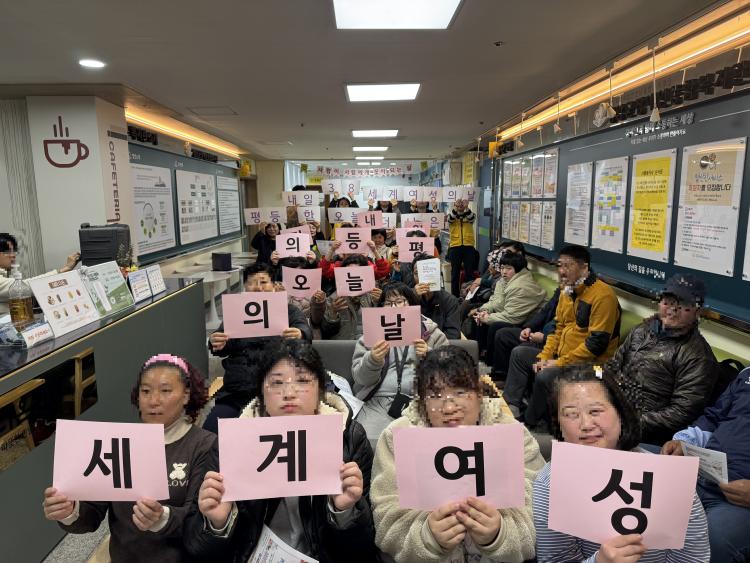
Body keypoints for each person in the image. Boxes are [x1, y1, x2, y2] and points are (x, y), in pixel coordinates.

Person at [185, 340, 379, 563]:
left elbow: (362, 550)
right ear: (261, 393)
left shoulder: (348, 438)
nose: (289, 393)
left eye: (302, 381)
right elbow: (198, 549)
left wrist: (345, 512)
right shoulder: (232, 442)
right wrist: (217, 525)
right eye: (276, 383)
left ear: (320, 391)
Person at [371, 346, 544, 562]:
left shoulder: (512, 435)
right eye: (435, 395)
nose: (449, 407)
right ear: (422, 401)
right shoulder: (397, 438)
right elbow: (386, 522)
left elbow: (539, 514)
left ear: (479, 393)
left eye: (460, 393)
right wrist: (427, 537)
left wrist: (499, 534)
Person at [43, 354, 216, 563]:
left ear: (186, 395)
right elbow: (92, 516)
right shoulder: (119, 443)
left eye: (165, 391)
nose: (153, 401)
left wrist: (162, 517)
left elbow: (202, 525)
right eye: (146, 391)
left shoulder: (204, 446)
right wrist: (70, 510)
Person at [533, 364, 710, 562]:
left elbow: (693, 558)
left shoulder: (669, 478)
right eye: (571, 414)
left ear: (620, 414)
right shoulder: (549, 482)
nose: (586, 424)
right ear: (558, 424)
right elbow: (557, 559)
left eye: (595, 411)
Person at [503, 245, 621, 430]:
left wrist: (558, 363)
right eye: (560, 265)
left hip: (592, 365)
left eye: (568, 265)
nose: (562, 271)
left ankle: (532, 423)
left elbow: (596, 344)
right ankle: (511, 407)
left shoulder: (603, 296)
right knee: (520, 354)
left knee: (545, 376)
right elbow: (558, 328)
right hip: (563, 357)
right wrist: (545, 357)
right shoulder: (567, 291)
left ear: (584, 267)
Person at [607, 273, 717, 446]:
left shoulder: (698, 357)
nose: (673, 309)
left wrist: (627, 421)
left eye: (683, 305)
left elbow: (680, 413)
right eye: (668, 302)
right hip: (612, 413)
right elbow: (611, 366)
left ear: (697, 311)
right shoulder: (641, 330)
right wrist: (594, 382)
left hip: (646, 434)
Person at [205, 263, 311, 432]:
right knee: (212, 430)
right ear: (245, 287)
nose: (258, 287)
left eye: (263, 282)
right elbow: (222, 343)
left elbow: (304, 330)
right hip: (238, 392)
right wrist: (215, 342)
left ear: (274, 286)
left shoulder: (289, 311)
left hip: (281, 391)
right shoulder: (236, 312)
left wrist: (300, 333)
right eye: (252, 283)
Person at [661, 366, 750, 562]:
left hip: (738, 502)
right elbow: (713, 418)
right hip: (702, 472)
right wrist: (685, 443)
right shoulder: (747, 374)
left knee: (712, 538)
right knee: (631, 457)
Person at [352, 282, 449, 445]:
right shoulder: (371, 335)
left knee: (425, 444)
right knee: (368, 443)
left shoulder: (433, 334)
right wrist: (373, 359)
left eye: (400, 301)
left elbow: (451, 374)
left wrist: (430, 355)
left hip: (424, 400)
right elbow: (361, 379)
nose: (394, 307)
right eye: (388, 303)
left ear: (412, 305)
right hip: (378, 401)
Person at [471, 251, 546, 364]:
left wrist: (487, 318)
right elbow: (494, 301)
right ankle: (477, 354)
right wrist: (484, 310)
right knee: (477, 316)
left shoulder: (521, 287)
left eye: (509, 268)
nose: (504, 271)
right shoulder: (504, 281)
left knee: (495, 326)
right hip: (511, 315)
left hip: (527, 324)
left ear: (518, 270)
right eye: (502, 268)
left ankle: (490, 361)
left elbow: (512, 317)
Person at [491, 285, 560, 382]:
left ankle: (514, 386)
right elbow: (544, 312)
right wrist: (529, 327)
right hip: (540, 334)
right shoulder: (562, 291)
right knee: (503, 334)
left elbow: (569, 338)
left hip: (552, 344)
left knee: (520, 350)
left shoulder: (578, 303)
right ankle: (500, 377)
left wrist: (544, 338)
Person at [0, 233, 80, 315]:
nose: (13, 255)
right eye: (8, 252)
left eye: (14, 251)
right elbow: (23, 288)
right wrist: (63, 270)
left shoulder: (6, 275)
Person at [311, 255, 383, 340]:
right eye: (349, 272)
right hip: (343, 345)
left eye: (357, 271)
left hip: (368, 344)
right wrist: (333, 313)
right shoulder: (334, 298)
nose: (353, 275)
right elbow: (326, 331)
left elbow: (383, 325)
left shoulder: (374, 295)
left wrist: (380, 303)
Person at [412, 253, 462, 339]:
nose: (422, 278)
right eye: (417, 273)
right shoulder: (407, 298)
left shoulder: (450, 301)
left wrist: (430, 344)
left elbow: (453, 335)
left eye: (428, 272)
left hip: (439, 345)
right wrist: (412, 298)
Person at [320, 240, 390, 282]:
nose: (353, 257)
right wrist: (332, 249)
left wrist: (374, 250)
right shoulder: (340, 266)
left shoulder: (367, 265)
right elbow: (324, 270)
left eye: (356, 253)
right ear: (343, 256)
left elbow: (383, 270)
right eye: (349, 254)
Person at [446, 199, 477, 296]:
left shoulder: (470, 214)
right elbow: (450, 219)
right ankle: (455, 296)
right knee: (455, 272)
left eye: (462, 204)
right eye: (458, 204)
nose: (460, 206)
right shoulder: (451, 215)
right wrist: (456, 208)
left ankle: (470, 295)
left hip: (469, 246)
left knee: (469, 272)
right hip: (455, 246)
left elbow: (471, 219)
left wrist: (466, 207)